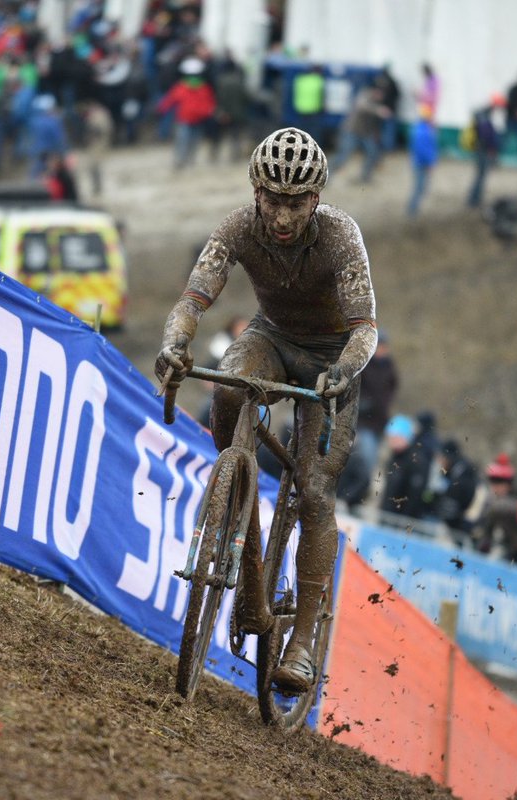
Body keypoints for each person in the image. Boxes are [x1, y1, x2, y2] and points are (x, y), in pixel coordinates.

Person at [155, 127, 377, 694]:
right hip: (272, 338)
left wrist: (342, 374)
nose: (281, 215)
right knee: (229, 387)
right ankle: (239, 496)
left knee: (313, 488)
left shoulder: (340, 237)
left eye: (295, 202)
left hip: (332, 358)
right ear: (256, 191)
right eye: (271, 199)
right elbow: (192, 299)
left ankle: (302, 639)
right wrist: (175, 344)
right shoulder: (236, 226)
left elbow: (365, 331)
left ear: (317, 198)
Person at [338, 329, 398, 509]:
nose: (381, 350)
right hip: (361, 421)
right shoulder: (365, 365)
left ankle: (353, 498)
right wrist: (362, 403)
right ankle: (344, 495)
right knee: (357, 459)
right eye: (379, 346)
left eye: (384, 347)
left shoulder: (390, 369)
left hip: (378, 424)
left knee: (368, 464)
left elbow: (390, 393)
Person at [156, 56, 217, 170]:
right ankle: (183, 161)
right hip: (189, 120)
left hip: (192, 120)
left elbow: (169, 101)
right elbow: (210, 105)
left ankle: (184, 161)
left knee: (187, 142)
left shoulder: (185, 87)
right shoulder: (199, 88)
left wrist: (161, 110)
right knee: (188, 142)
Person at [331, 82, 390, 184]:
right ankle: (326, 175)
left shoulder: (377, 102)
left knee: (373, 153)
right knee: (343, 156)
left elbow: (374, 122)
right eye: (381, 94)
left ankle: (365, 177)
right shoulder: (364, 95)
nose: (382, 97)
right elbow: (362, 107)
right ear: (376, 91)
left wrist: (376, 133)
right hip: (351, 132)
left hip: (365, 133)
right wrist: (378, 110)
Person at [380, 414, 435, 519]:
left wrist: (404, 522)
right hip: (387, 516)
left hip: (403, 520)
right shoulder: (394, 457)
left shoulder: (417, 460)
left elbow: (414, 496)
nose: (390, 441)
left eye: (394, 437)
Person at [429, 438, 481, 540]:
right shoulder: (454, 471)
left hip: (459, 527)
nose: (439, 461)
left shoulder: (461, 475)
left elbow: (451, 508)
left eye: (441, 457)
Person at [466, 94, 504, 209]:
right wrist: (492, 148)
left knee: (480, 176)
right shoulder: (485, 116)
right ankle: (473, 200)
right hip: (483, 150)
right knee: (481, 176)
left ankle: (474, 199)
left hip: (481, 149)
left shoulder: (482, 114)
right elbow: (486, 135)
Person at [406, 103, 439, 218]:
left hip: (418, 162)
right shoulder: (424, 132)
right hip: (422, 163)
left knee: (420, 187)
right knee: (419, 188)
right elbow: (425, 150)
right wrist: (430, 163)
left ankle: (413, 209)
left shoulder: (418, 129)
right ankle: (412, 210)